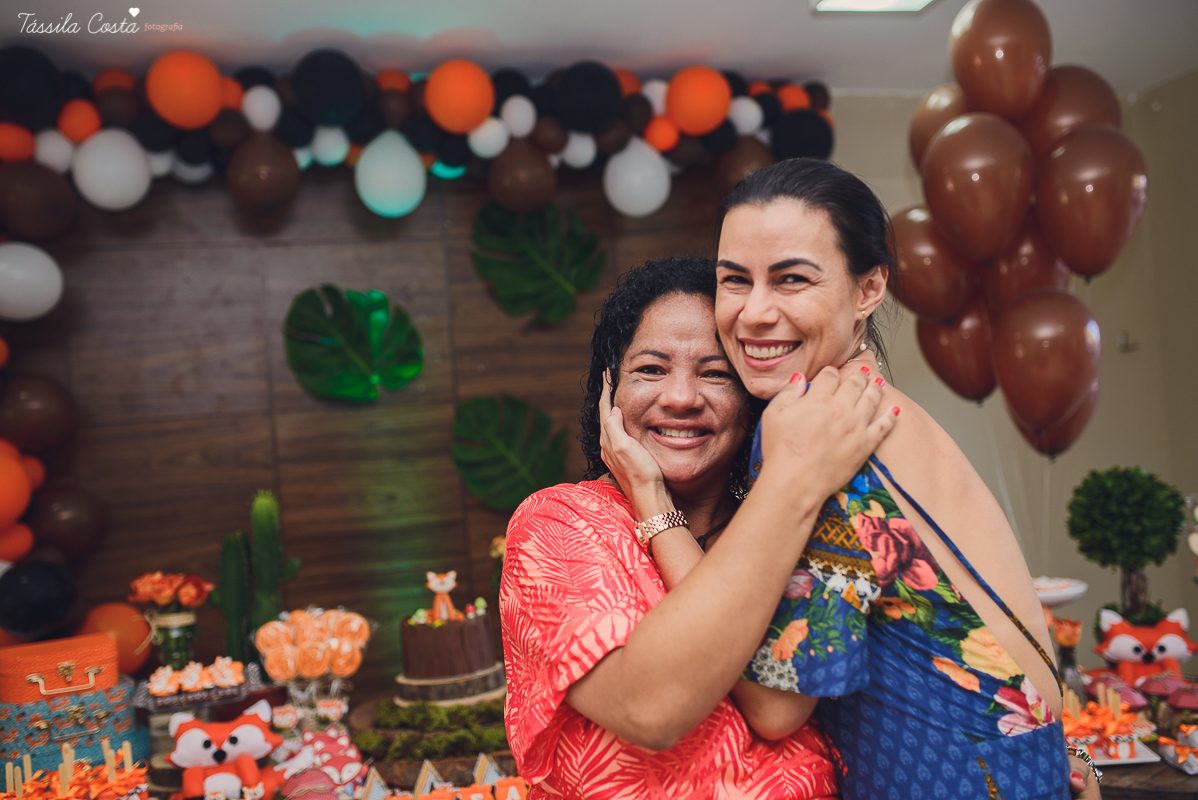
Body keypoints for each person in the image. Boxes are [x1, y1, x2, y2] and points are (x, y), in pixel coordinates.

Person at [703, 157, 1098, 799]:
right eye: (734, 281)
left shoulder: (815, 428)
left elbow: (778, 707)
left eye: (791, 279)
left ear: (868, 289)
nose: (753, 313)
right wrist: (1078, 764)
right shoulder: (889, 412)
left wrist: (658, 523)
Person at [498, 256, 897, 800]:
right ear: (607, 393)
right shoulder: (559, 524)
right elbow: (650, 709)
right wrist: (652, 500)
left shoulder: (801, 514)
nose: (682, 398)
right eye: (651, 370)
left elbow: (779, 705)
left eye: (715, 373)